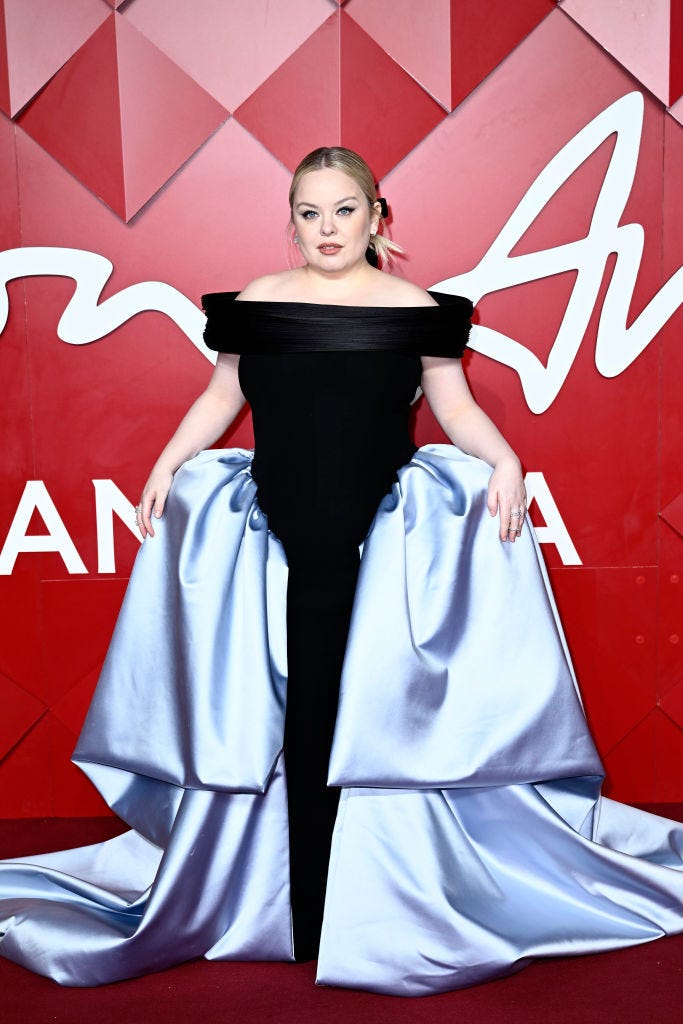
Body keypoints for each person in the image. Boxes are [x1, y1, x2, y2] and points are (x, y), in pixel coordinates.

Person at [0, 147, 682, 995]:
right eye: (310, 212)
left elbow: (453, 405)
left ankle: (347, 909)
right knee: (280, 714)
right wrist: (168, 463)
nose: (327, 228)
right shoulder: (255, 304)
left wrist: (504, 462)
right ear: (291, 221)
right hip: (274, 539)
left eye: (344, 210)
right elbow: (223, 396)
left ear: (377, 216)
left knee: (361, 718)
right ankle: (287, 905)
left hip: (377, 544)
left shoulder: (419, 312)